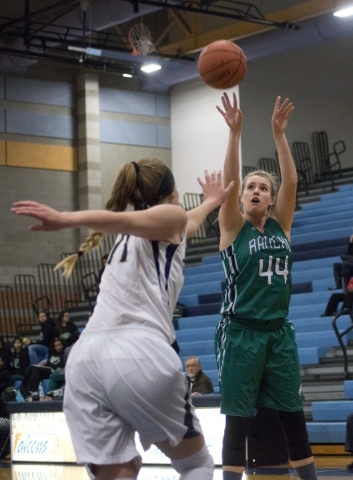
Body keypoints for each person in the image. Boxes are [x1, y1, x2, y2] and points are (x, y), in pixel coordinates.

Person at [12, 158, 234, 480]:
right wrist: (65, 219)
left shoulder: (141, 235)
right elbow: (133, 220)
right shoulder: (167, 217)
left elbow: (190, 221)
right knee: (195, 465)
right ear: (172, 193)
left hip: (86, 359)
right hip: (137, 350)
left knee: (120, 472)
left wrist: (211, 203)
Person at [215, 92, 317, 480]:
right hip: (241, 332)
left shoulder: (281, 226)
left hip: (278, 333)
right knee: (238, 420)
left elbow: (290, 178)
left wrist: (279, 134)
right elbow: (228, 180)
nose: (256, 190)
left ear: (272, 200)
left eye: (263, 188)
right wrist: (234, 134)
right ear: (240, 198)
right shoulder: (232, 228)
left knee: (293, 416)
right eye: (250, 187)